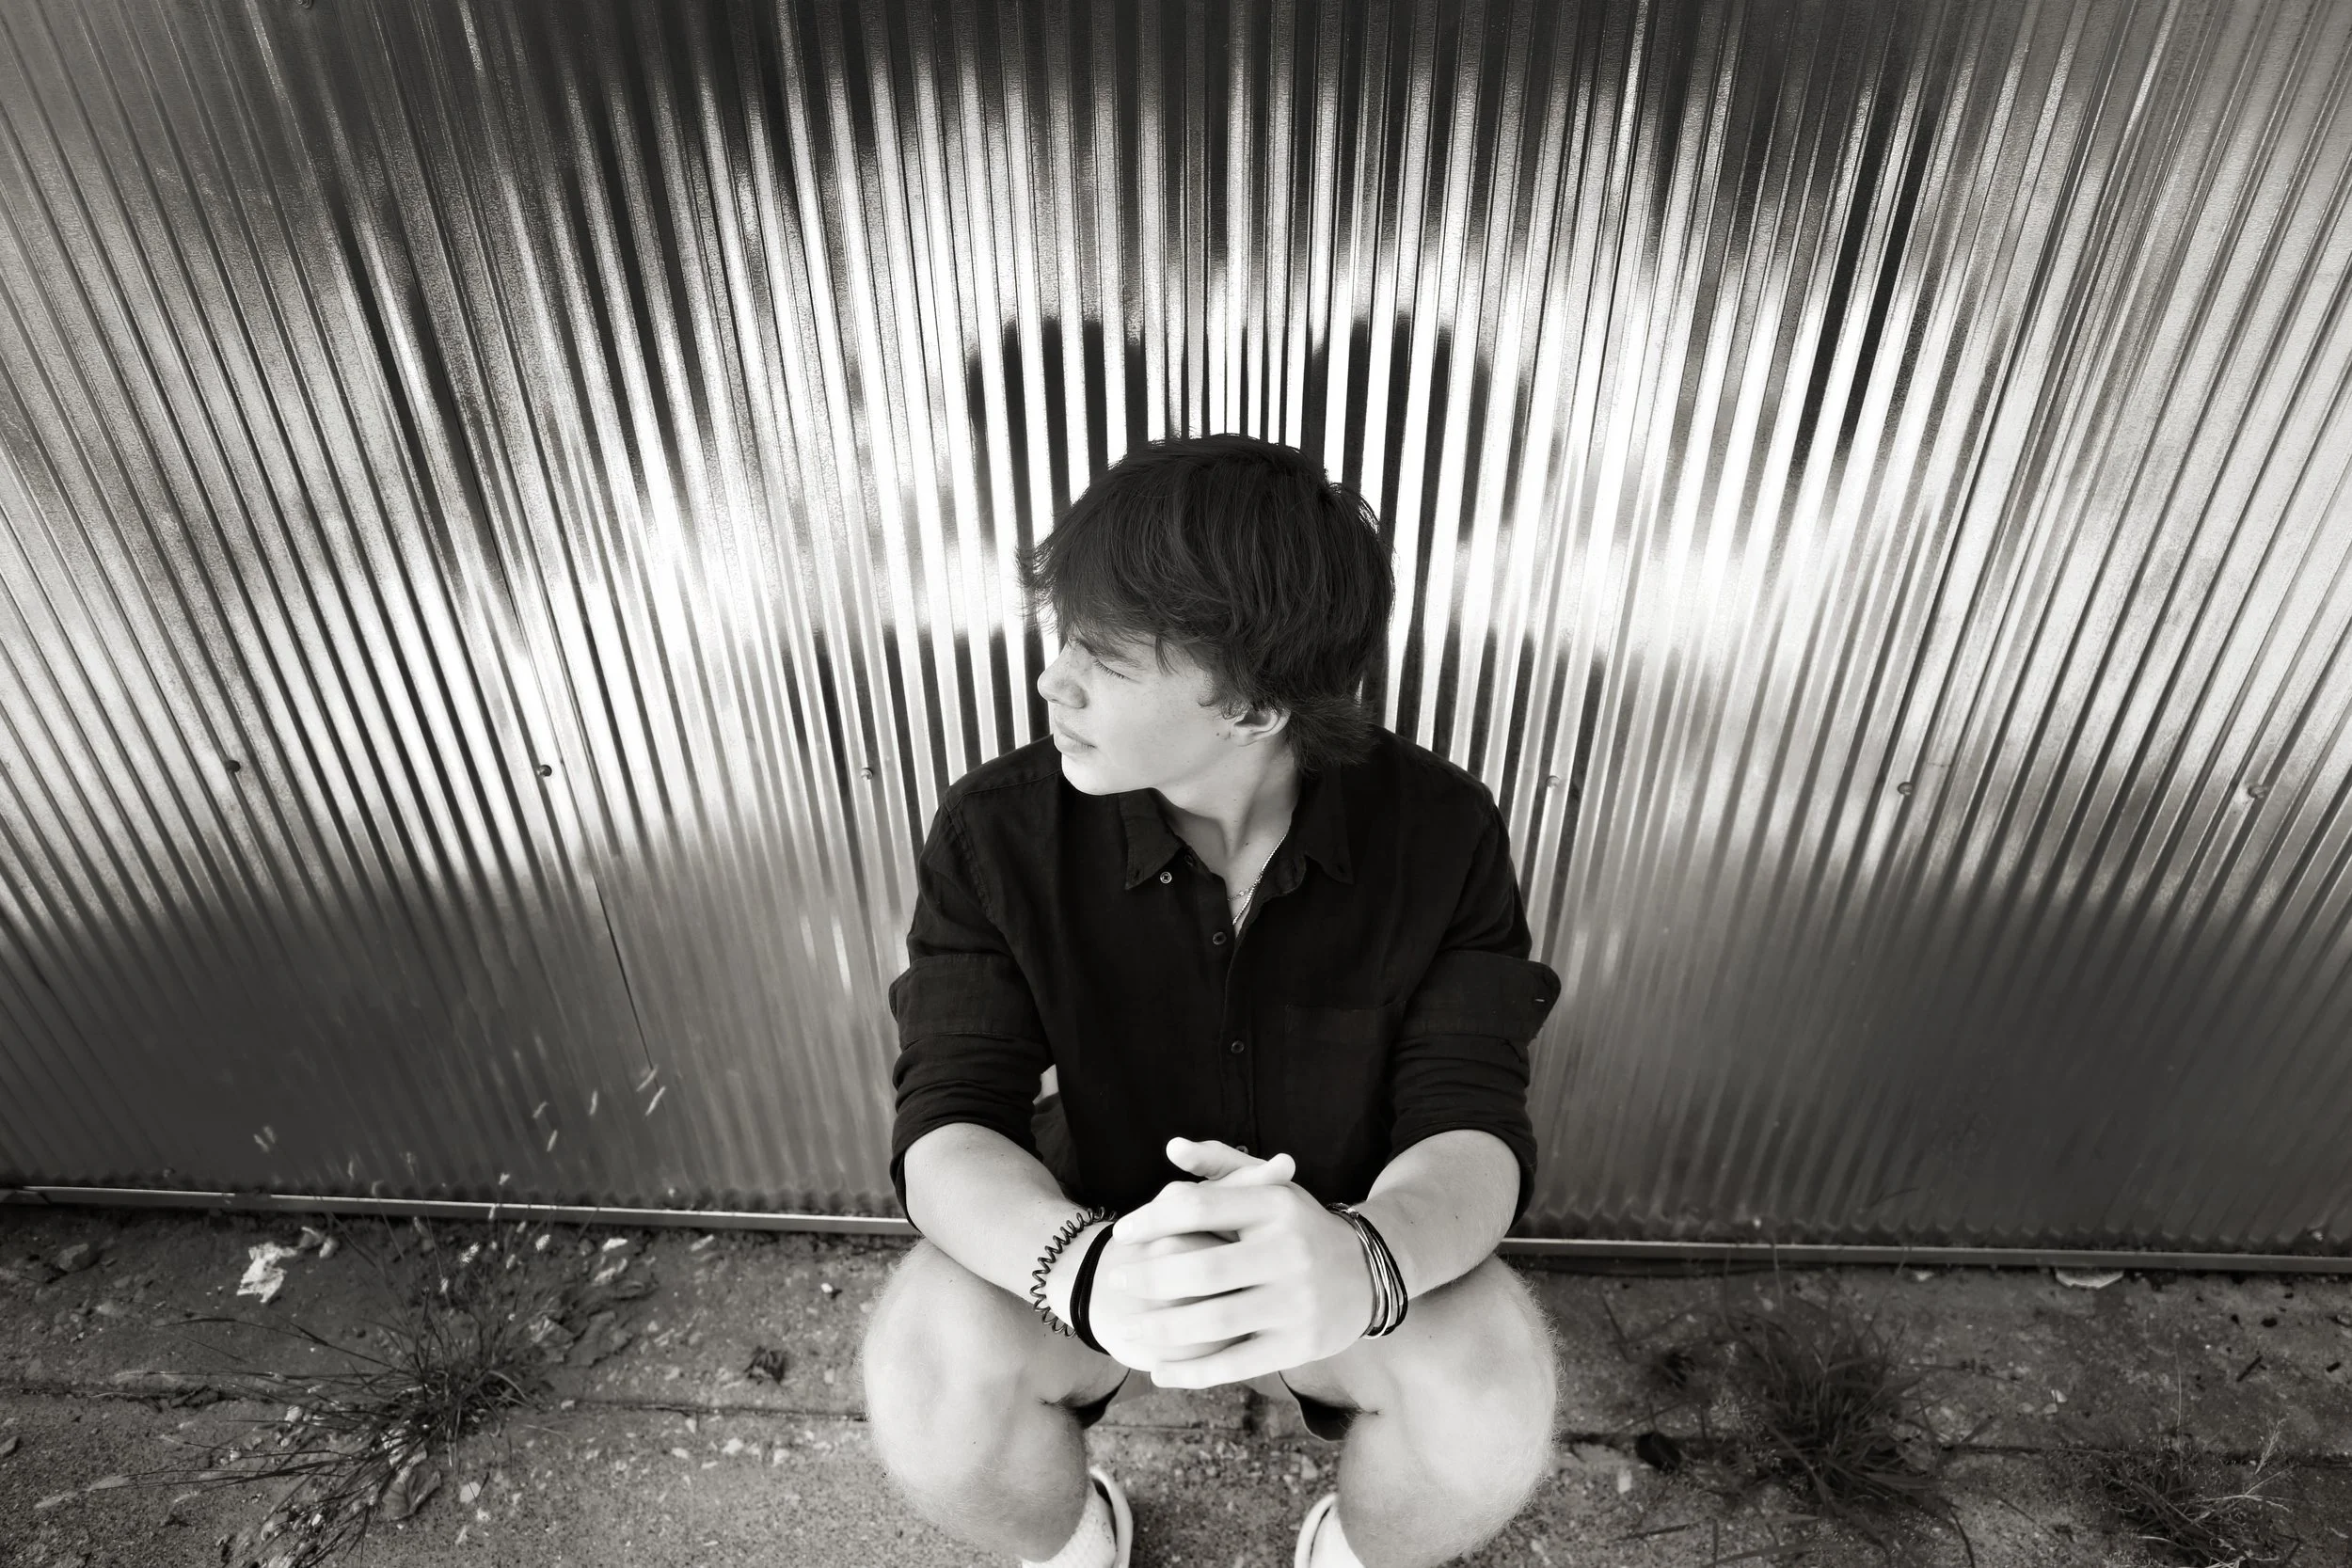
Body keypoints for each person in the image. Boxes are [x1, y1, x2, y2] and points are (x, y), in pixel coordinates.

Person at [860, 434, 1562, 1568]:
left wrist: (1366, 1262)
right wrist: (1078, 1266)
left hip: (1344, 1244)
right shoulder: (1000, 828)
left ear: (1248, 705)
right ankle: (1074, 1540)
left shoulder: (1439, 828)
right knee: (927, 1372)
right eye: (1062, 636)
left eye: (1106, 656)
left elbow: (1470, 1118)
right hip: (1093, 1232)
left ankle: (1358, 1549)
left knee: (1492, 1392)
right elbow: (949, 1112)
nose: (1053, 679)